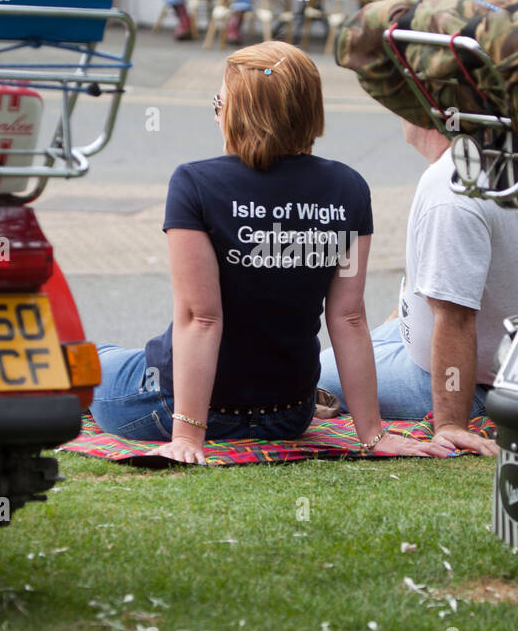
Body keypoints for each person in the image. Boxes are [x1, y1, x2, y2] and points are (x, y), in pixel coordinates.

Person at [88, 42, 447, 465]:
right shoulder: (349, 189)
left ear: (238, 112)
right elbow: (348, 318)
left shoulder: (195, 184)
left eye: (219, 102)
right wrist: (372, 435)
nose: (217, 113)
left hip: (173, 403)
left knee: (87, 359)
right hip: (289, 413)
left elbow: (201, 318)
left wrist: (187, 435)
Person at [316, 120, 518, 458]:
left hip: (466, 382)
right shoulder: (499, 152)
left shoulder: (450, 188)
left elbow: (455, 317)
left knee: (312, 375)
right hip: (453, 354)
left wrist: (451, 425)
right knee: (341, 356)